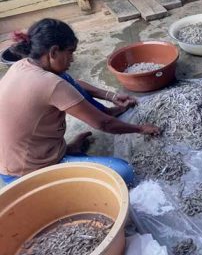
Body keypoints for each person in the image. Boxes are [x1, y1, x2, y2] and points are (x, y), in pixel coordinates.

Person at [0, 18, 160, 186]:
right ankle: (62, 162)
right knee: (124, 173)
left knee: (66, 78)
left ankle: (67, 152)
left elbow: (72, 85)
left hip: (14, 159)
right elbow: (104, 125)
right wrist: (141, 128)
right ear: (53, 52)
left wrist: (110, 96)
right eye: (70, 52)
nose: (73, 59)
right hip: (25, 175)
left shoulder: (23, 65)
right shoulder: (50, 84)